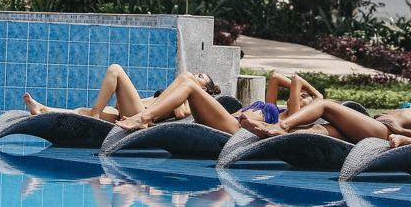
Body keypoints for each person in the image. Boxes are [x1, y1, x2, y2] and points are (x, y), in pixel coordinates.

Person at [238, 79, 411, 143]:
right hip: (371, 126)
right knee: (318, 130)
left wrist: (401, 130)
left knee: (326, 105)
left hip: (383, 133)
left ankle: (280, 126)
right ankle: (270, 134)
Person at [112, 70, 324, 135]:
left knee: (190, 85)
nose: (302, 96)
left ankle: (144, 117)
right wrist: (312, 95)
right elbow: (276, 76)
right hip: (224, 120)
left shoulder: (291, 116)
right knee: (187, 77)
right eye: (302, 95)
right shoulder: (275, 107)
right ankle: (148, 114)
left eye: (305, 99)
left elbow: (296, 80)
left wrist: (316, 97)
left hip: (231, 128)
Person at [23, 63, 221, 122]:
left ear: (203, 89)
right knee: (80, 111)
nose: (195, 74)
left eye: (200, 75)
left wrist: (184, 91)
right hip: (133, 109)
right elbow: (152, 100)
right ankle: (43, 109)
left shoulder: (189, 98)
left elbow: (180, 114)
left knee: (115, 70)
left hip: (139, 116)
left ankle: (94, 114)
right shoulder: (179, 89)